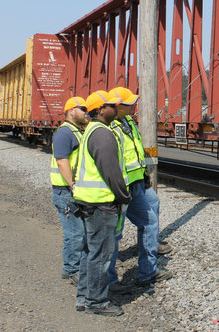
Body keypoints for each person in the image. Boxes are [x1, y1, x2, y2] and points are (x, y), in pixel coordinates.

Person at [107, 87, 172, 293]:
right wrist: (119, 189)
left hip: (137, 183)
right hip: (122, 187)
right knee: (114, 233)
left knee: (151, 215)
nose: (134, 105)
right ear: (118, 106)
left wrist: (144, 177)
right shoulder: (109, 128)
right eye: (129, 102)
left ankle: (147, 271)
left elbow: (135, 153)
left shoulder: (128, 123)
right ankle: (109, 281)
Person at [73, 90, 131, 316]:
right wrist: (124, 196)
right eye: (112, 106)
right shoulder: (102, 134)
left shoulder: (92, 131)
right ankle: (96, 302)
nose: (117, 109)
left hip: (90, 202)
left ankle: (84, 297)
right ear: (101, 109)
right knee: (102, 254)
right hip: (101, 204)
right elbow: (111, 172)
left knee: (90, 252)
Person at [50, 96, 89, 284]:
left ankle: (69, 268)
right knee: (77, 233)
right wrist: (72, 185)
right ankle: (74, 271)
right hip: (65, 191)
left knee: (73, 231)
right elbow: (61, 160)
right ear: (71, 111)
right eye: (83, 109)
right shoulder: (65, 133)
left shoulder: (76, 131)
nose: (86, 112)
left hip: (67, 190)